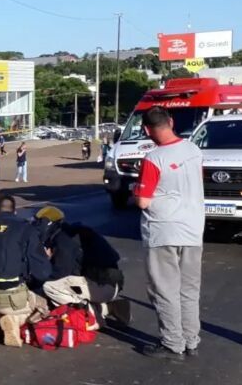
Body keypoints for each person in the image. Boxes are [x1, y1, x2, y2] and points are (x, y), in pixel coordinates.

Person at [133, 106, 204, 361]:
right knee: (189, 290)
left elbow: (143, 201)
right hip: (193, 229)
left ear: (146, 129)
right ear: (171, 122)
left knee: (165, 290)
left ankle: (173, 343)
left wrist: (135, 189)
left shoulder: (154, 158)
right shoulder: (194, 150)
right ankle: (191, 339)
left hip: (163, 230)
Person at [0, 193, 52, 347]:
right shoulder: (25, 227)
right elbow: (42, 271)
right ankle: (15, 320)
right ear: (15, 211)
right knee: (41, 305)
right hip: (10, 295)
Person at [34, 206, 130, 325]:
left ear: (48, 224)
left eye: (38, 223)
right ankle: (109, 307)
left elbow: (60, 272)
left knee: (49, 286)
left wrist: (36, 279)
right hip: (108, 282)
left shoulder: (64, 239)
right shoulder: (69, 233)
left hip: (103, 285)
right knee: (60, 284)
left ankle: (93, 314)